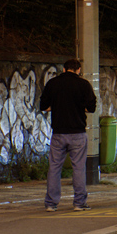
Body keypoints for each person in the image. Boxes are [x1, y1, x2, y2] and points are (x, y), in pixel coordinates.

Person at [40, 59, 97, 212]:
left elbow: (43, 106)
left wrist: (57, 107)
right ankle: (79, 203)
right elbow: (91, 107)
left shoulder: (53, 83)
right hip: (78, 133)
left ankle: (51, 204)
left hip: (58, 133)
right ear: (78, 70)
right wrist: (80, 108)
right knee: (78, 168)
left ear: (64, 70)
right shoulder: (84, 85)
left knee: (54, 168)